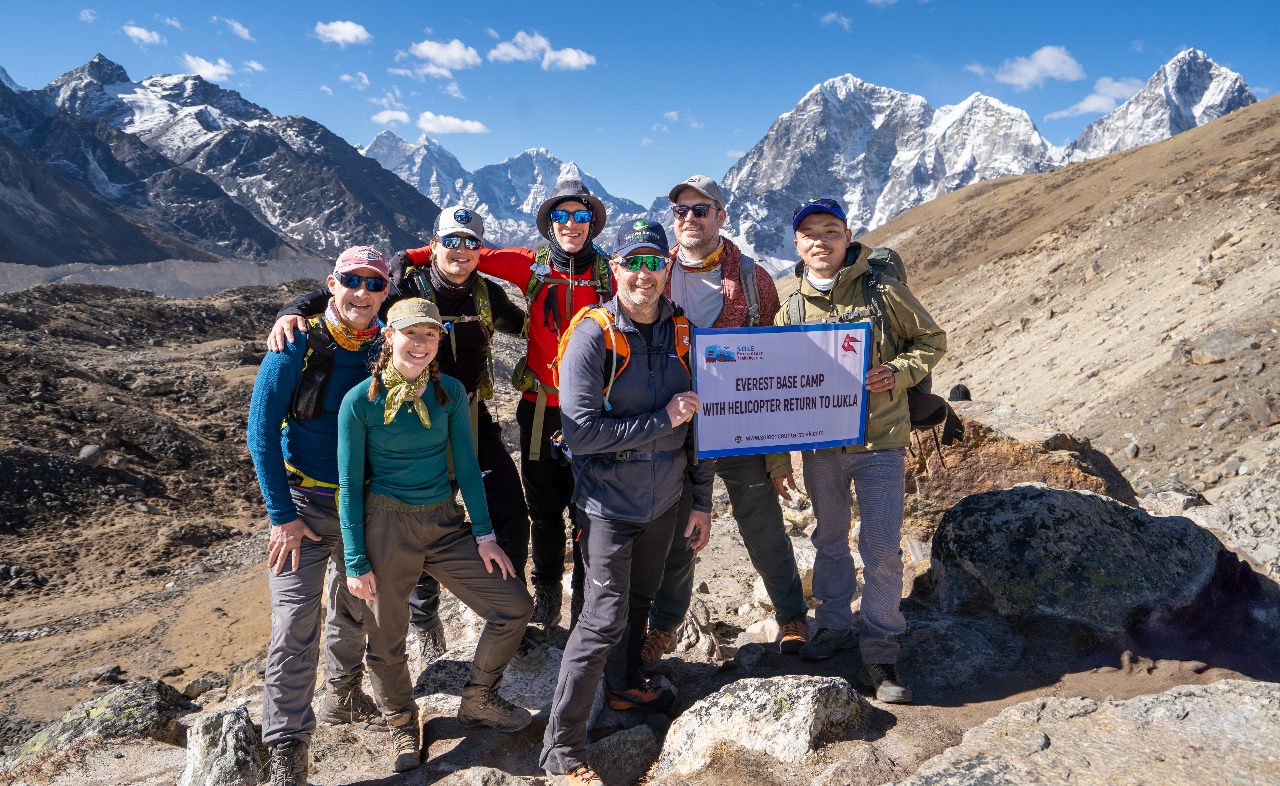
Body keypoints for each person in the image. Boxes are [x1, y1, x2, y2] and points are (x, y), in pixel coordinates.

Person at [268, 206, 537, 666]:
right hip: (405, 416)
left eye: (471, 242)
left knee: (509, 508)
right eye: (452, 240)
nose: (461, 250)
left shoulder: (489, 295)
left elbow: (526, 324)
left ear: (481, 250)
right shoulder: (405, 284)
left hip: (467, 410)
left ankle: (506, 607)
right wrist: (294, 309)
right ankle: (425, 619)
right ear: (433, 244)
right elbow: (354, 291)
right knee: (424, 508)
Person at [540, 220, 714, 786]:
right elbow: (582, 433)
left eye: (653, 263)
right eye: (632, 263)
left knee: (640, 600)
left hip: (665, 501)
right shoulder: (593, 334)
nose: (643, 274)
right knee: (601, 618)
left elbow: (702, 426)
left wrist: (701, 500)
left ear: (668, 270)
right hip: (607, 504)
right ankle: (562, 751)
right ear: (615, 270)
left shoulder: (683, 332)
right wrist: (660, 420)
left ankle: (622, 689)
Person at [402, 179, 614, 639]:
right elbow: (467, 252)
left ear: (593, 221)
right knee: (540, 509)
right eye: (562, 216)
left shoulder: (611, 273)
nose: (572, 224)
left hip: (597, 410)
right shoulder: (530, 264)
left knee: (587, 510)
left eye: (581, 216)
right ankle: (539, 600)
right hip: (539, 409)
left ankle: (580, 609)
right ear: (549, 222)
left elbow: (646, 287)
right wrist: (413, 256)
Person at [338, 298, 534, 773]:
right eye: (411, 333)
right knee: (386, 639)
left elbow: (467, 467)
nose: (421, 344)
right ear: (388, 337)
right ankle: (401, 720)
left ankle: (479, 698)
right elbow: (348, 483)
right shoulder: (359, 402)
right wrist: (355, 560)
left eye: (430, 335)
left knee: (514, 606)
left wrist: (485, 535)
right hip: (386, 526)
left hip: (445, 523)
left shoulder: (448, 391)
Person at [767, 198, 946, 704]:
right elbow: (776, 391)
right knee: (828, 540)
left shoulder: (882, 290)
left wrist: (899, 373)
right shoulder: (790, 310)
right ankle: (833, 626)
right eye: (809, 233)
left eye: (831, 230)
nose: (820, 240)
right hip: (821, 449)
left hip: (881, 444)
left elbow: (931, 339)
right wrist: (780, 461)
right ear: (797, 245)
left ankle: (881, 649)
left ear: (847, 238)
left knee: (882, 549)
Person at [641, 175, 809, 670]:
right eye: (680, 211)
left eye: (700, 210)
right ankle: (664, 626)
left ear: (721, 216)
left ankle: (792, 616)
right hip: (675, 420)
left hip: (740, 420)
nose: (688, 219)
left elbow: (777, 364)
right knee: (676, 528)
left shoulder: (754, 280)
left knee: (760, 521)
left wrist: (780, 454)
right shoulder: (655, 272)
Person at [247, 246, 392, 786]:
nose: (362, 292)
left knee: (357, 607)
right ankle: (286, 748)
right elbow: (260, 433)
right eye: (352, 280)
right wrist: (282, 517)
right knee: (292, 625)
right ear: (332, 283)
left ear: (387, 292)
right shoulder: (295, 346)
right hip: (301, 506)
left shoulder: (390, 345)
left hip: (366, 506)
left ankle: (343, 692)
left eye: (375, 284)